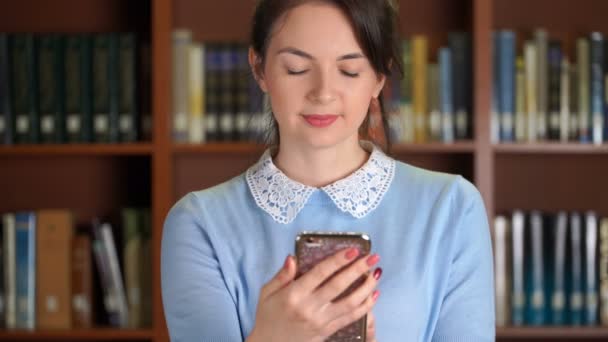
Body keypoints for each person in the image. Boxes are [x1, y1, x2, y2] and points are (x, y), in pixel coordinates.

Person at [161, 0, 495, 341]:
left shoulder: (451, 207)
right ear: (259, 68)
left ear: (380, 77)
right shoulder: (199, 223)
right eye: (296, 68)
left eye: (349, 70)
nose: (323, 93)